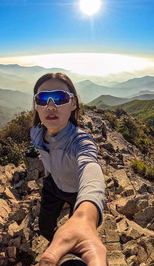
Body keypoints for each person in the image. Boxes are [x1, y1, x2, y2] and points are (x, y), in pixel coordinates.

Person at [30, 73, 107, 266]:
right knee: (45, 227)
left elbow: (91, 168)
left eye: (60, 97)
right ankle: (58, 242)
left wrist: (85, 216)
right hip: (52, 186)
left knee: (77, 231)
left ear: (73, 104)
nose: (50, 105)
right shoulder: (36, 133)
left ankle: (69, 253)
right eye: (42, 98)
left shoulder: (80, 141)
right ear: (36, 105)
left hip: (77, 193)